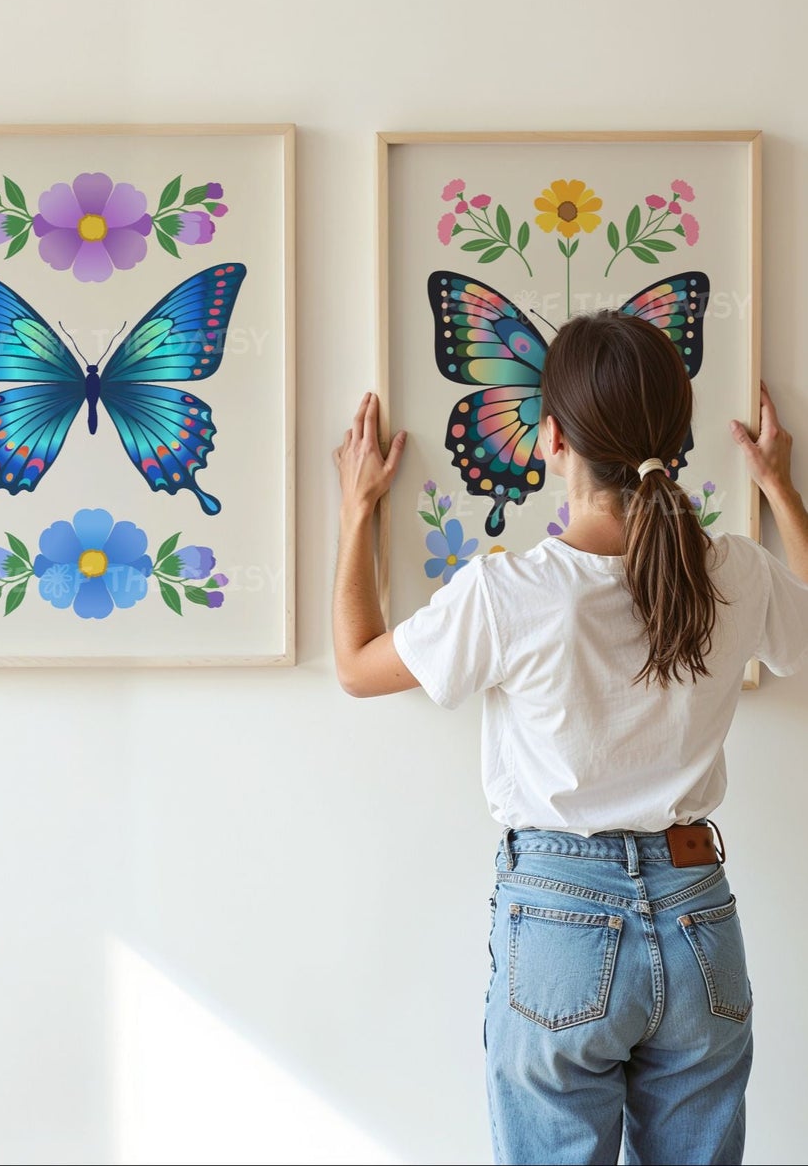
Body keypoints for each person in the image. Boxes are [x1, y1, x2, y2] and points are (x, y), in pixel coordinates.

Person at [332, 310, 808, 1166]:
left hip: (559, 918)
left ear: (550, 437)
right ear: (679, 434)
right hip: (700, 916)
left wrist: (355, 510)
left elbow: (356, 664)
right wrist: (779, 489)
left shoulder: (510, 591)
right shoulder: (735, 569)